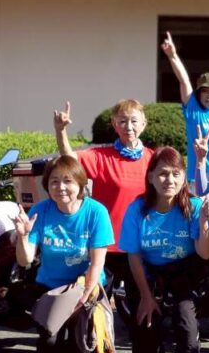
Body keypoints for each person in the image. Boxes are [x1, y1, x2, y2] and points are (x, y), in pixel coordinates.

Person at [13, 156, 115, 353]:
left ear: (80, 184)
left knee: (83, 342)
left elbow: (96, 263)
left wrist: (83, 298)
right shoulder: (41, 211)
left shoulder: (96, 212)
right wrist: (23, 235)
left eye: (67, 181)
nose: (61, 187)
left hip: (85, 286)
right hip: (51, 289)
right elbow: (25, 260)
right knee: (49, 339)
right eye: (54, 182)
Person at [119, 147, 209, 353]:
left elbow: (205, 252)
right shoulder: (138, 209)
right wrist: (147, 297)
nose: (169, 180)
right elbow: (134, 256)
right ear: (150, 177)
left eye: (175, 174)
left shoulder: (194, 206)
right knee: (146, 321)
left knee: (186, 324)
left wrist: (206, 222)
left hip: (185, 272)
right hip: (149, 273)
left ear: (184, 177)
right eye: (162, 174)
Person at [53, 98, 153, 301]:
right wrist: (60, 131)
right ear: (115, 124)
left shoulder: (153, 159)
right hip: (104, 246)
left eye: (134, 121)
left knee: (140, 304)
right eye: (122, 121)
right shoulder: (100, 156)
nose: (129, 126)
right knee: (95, 304)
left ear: (143, 123)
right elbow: (70, 160)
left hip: (139, 245)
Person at [160, 31, 209, 183]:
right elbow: (184, 81)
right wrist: (172, 56)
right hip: (199, 180)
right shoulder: (195, 111)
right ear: (198, 95)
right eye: (205, 92)